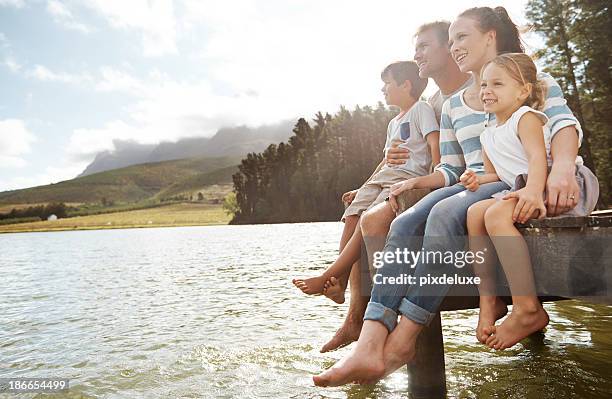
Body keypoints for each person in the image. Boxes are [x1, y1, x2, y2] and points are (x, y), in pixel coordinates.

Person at [313, 6, 587, 387]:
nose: (454, 46)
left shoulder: (529, 81)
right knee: (407, 221)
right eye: (452, 39)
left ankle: (404, 338)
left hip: (525, 181)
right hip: (481, 183)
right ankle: (371, 338)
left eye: (461, 37)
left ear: (490, 36)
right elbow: (454, 169)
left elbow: (562, 125)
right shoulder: (456, 105)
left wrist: (560, 171)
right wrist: (414, 182)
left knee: (443, 215)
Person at [318, 20, 471, 354]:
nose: (416, 55)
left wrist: (423, 179)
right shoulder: (429, 103)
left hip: (459, 185)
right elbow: (411, 151)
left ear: (449, 48)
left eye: (424, 46)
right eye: (415, 48)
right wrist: (385, 163)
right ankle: (354, 318)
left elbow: (442, 157)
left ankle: (358, 313)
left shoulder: (479, 87)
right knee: (360, 214)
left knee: (373, 220)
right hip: (431, 182)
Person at [464, 53, 598, 349]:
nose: (487, 90)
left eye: (497, 84)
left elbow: (538, 157)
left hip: (555, 185)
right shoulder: (487, 134)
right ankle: (490, 299)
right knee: (475, 212)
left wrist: (534, 191)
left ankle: (527, 308)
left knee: (496, 215)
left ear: (523, 91)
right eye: (484, 84)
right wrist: (475, 180)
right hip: (525, 187)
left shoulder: (525, 118)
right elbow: (494, 175)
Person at [292, 61, 440, 302]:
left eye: (387, 84)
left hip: (406, 178)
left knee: (365, 218)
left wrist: (432, 179)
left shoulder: (421, 110)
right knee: (352, 214)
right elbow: (385, 162)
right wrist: (363, 187)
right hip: (383, 177)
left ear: (405, 85)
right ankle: (338, 284)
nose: (383, 90)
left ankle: (329, 275)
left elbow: (434, 144)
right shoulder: (393, 122)